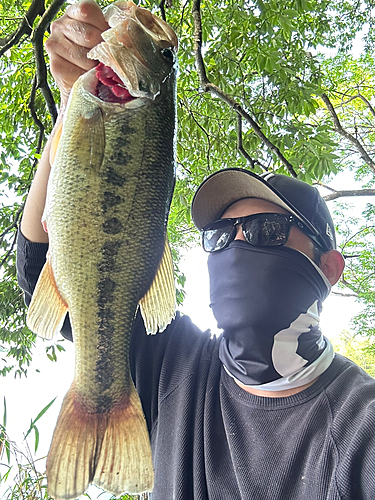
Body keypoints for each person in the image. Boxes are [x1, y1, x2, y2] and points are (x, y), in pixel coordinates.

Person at [16, 1, 375, 498]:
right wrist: (71, 117)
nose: (238, 245)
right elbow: (39, 271)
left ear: (329, 268)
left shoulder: (362, 427)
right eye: (221, 237)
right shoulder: (175, 365)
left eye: (267, 231)